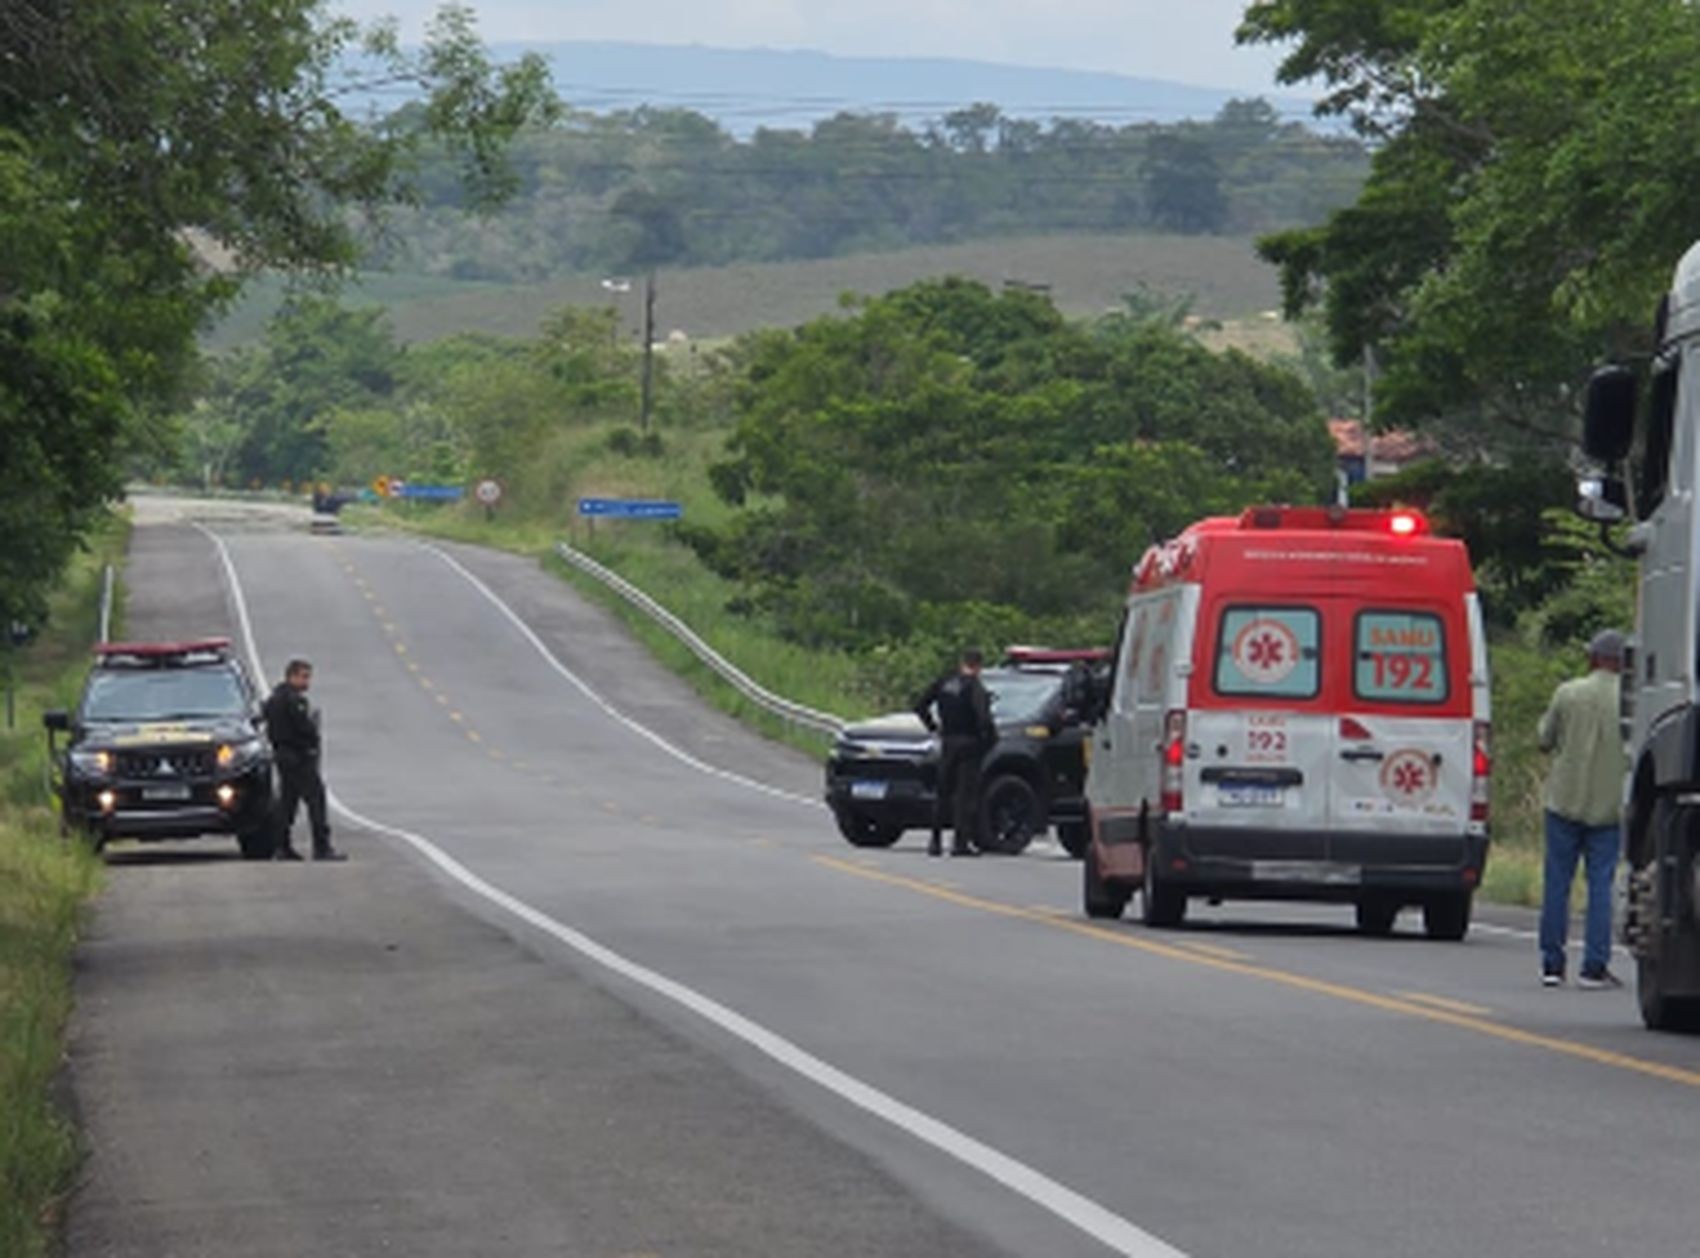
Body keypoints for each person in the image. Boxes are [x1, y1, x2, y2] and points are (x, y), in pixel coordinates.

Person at [1536, 629, 1628, 987]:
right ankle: (1593, 966)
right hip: (1608, 805)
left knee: (1556, 882)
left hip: (1563, 801)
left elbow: (1545, 739)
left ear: (1592, 658)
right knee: (1600, 885)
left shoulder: (1568, 692)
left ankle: (1552, 964)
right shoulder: (1628, 700)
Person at [914, 648, 998, 858]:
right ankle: (960, 842)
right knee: (965, 795)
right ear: (978, 666)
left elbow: (920, 706)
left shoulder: (944, 682)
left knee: (943, 792)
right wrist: (989, 740)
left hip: (948, 742)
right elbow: (983, 718)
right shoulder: (974, 687)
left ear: (962, 661)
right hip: (969, 743)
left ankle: (935, 841)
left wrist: (934, 727)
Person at [263, 658, 344, 862]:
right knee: (316, 799)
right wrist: (312, 739)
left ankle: (281, 846)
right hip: (297, 756)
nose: (307, 682)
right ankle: (321, 847)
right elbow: (304, 729)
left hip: (282, 755)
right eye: (304, 676)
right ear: (292, 676)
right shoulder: (293, 700)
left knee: (287, 802)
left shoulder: (273, 698)